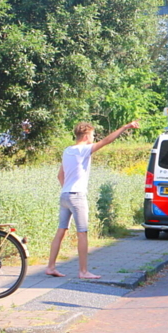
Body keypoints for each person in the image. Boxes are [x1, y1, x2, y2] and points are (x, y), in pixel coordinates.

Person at [45, 120, 140, 280]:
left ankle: (50, 266)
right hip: (77, 196)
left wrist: (66, 188)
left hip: (65, 195)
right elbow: (107, 141)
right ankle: (83, 271)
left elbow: (60, 176)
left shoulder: (67, 151)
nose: (94, 138)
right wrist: (125, 127)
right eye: (93, 135)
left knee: (61, 231)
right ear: (87, 134)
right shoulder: (84, 150)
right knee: (82, 233)